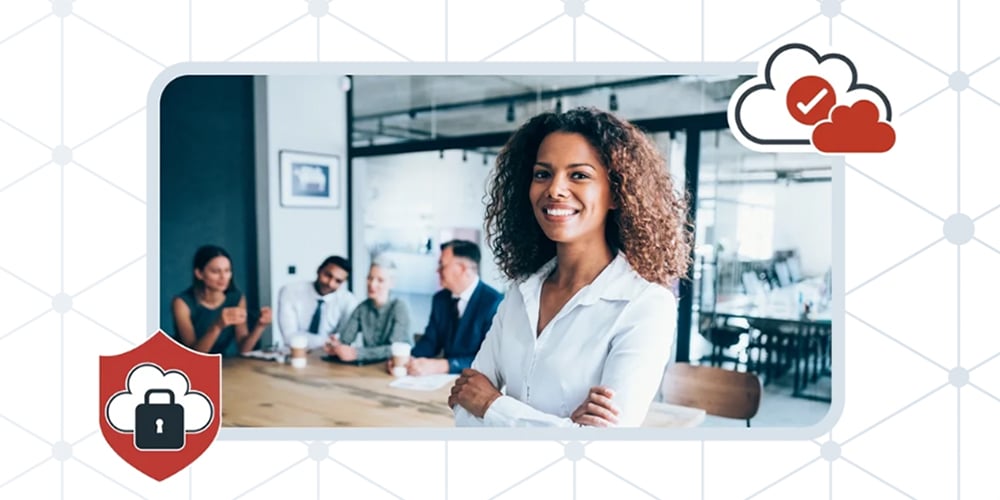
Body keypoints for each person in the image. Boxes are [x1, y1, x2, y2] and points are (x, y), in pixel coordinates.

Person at [449, 107, 692, 427]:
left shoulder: (645, 305)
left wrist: (493, 406)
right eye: (542, 174)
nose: (555, 189)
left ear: (616, 194)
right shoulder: (521, 291)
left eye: (578, 175)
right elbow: (464, 407)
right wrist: (563, 426)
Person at [390, 240, 503, 376]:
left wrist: (444, 365)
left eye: (442, 265)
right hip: (443, 383)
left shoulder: (494, 303)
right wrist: (409, 360)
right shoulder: (440, 299)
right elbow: (430, 341)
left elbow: (492, 360)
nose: (437, 271)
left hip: (478, 383)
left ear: (462, 268)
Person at [172, 245, 272, 356]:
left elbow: (244, 349)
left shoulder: (236, 298)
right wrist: (217, 326)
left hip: (221, 364)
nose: (223, 277)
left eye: (227, 270)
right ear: (199, 274)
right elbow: (193, 356)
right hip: (185, 367)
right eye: (215, 271)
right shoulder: (181, 303)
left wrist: (260, 326)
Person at [325, 258, 412, 363]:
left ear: (391, 283)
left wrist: (357, 353)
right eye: (370, 278)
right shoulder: (362, 308)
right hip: (371, 368)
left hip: (397, 367)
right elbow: (345, 340)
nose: (372, 284)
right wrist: (336, 347)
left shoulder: (399, 307)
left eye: (380, 280)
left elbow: (393, 349)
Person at [276, 256, 358, 350]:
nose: (330, 283)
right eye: (328, 275)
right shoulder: (290, 291)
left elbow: (346, 338)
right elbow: (289, 337)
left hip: (332, 356)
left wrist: (336, 342)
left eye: (338, 281)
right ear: (319, 270)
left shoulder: (349, 300)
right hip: (295, 353)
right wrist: (328, 341)